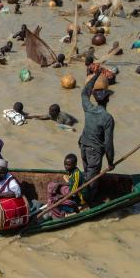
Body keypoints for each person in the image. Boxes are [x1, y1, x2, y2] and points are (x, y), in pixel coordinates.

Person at [79, 71, 114, 202]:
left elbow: (84, 92)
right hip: (94, 151)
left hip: (83, 145)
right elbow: (108, 144)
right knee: (92, 181)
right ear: (108, 100)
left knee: (88, 173)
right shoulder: (107, 118)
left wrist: (95, 76)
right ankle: (88, 203)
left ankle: (85, 196)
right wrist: (110, 162)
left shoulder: (88, 108)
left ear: (95, 99)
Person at [45, 154, 87, 219]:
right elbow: (70, 183)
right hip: (72, 191)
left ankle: (58, 215)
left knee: (56, 201)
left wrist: (59, 197)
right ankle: (50, 203)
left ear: (75, 164)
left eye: (68, 165)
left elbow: (73, 194)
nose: (66, 167)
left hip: (78, 199)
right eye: (65, 164)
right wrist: (59, 184)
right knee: (52, 185)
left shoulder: (76, 175)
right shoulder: (71, 170)